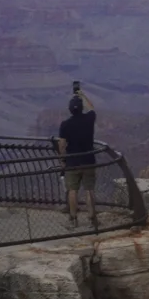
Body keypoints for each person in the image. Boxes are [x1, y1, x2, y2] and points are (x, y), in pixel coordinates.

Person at [54, 90, 99, 225]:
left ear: (70, 109)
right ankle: (92, 218)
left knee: (72, 190)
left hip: (72, 161)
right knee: (89, 189)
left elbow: (61, 145)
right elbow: (91, 108)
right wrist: (83, 95)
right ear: (81, 108)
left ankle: (73, 219)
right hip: (88, 160)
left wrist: (62, 159)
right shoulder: (89, 119)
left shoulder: (65, 124)